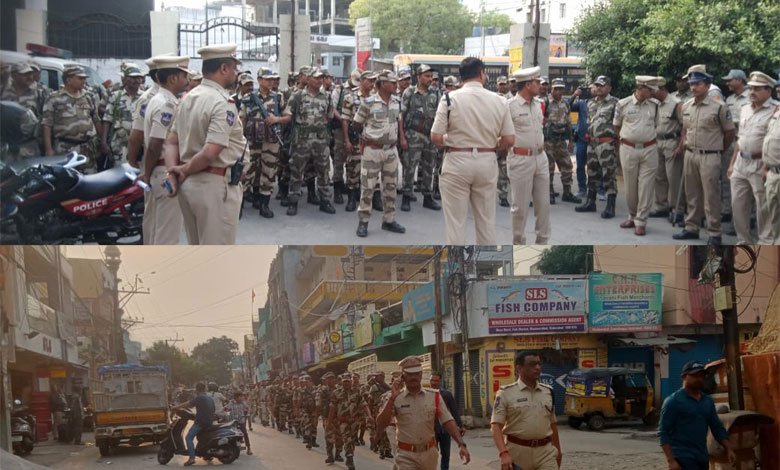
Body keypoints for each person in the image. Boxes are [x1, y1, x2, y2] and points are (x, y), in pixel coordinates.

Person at [164, 44, 247, 245]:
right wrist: (182, 170)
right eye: (234, 67)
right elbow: (210, 152)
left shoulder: (188, 97)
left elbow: (171, 141)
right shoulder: (221, 102)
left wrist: (173, 172)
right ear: (224, 69)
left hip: (190, 186)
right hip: (214, 187)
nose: (236, 73)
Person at [430, 57, 515, 245]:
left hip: (456, 162)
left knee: (456, 226)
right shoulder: (500, 101)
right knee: (486, 224)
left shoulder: (448, 99)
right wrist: (491, 144)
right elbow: (509, 140)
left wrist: (452, 141)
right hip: (486, 161)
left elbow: (436, 137)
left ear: (461, 78)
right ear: (482, 74)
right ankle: (488, 269)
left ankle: (458, 271)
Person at [673, 68, 735, 245]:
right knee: (691, 194)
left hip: (710, 155)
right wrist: (684, 145)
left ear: (707, 85)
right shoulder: (687, 105)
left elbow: (729, 132)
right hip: (690, 154)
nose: (694, 87)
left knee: (711, 196)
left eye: (698, 84)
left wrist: (718, 150)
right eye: (692, 84)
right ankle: (691, 227)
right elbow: (685, 128)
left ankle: (714, 232)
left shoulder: (719, 107)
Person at [376, 356, 470, 470]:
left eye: (416, 374)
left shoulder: (434, 396)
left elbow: (448, 420)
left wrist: (461, 444)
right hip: (405, 454)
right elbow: (381, 424)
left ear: (421, 375)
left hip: (429, 454)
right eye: (409, 374)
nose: (413, 377)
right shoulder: (395, 397)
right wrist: (391, 398)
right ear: (403, 376)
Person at [140, 56, 189, 245]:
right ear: (173, 79)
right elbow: (155, 144)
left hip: (157, 171)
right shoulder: (166, 104)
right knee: (166, 236)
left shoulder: (157, 98)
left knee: (154, 230)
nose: (186, 80)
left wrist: (147, 171)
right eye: (184, 75)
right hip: (164, 171)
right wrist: (147, 172)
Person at [351, 70, 406, 237]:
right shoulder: (368, 102)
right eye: (392, 82)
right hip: (372, 150)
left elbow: (398, 122)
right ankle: (363, 222)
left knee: (391, 187)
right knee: (367, 188)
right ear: (382, 85)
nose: (396, 85)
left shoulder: (397, 102)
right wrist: (371, 137)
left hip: (391, 150)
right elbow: (357, 124)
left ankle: (389, 220)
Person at [727, 71, 777, 244]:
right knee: (738, 206)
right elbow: (741, 138)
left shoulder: (775, 110)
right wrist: (732, 164)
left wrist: (767, 167)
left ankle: (765, 242)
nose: (752, 92)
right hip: (741, 161)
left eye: (757, 89)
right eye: (751, 88)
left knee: (763, 207)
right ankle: (744, 241)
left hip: (760, 164)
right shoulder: (745, 109)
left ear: (768, 91)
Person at [491, 351, 562, 470]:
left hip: (545, 453)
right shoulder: (505, 393)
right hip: (517, 453)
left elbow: (553, 424)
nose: (538, 368)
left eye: (539, 364)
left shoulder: (548, 392)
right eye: (532, 364)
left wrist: (558, 452)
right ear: (519, 368)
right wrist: (503, 453)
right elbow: (496, 426)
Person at [659, 361, 735, 470]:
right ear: (684, 377)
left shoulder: (707, 401)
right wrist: (671, 461)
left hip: (702, 456)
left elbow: (716, 426)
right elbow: (663, 432)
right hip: (682, 458)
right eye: (695, 375)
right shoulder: (673, 401)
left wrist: (728, 448)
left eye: (702, 375)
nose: (700, 378)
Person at [506, 66, 550, 244]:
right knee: (520, 208)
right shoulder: (509, 106)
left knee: (543, 205)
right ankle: (518, 243)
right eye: (537, 82)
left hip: (541, 158)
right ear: (527, 85)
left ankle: (542, 243)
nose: (540, 85)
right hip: (520, 159)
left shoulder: (539, 104)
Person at [283, 68, 336, 216]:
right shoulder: (298, 95)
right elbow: (288, 114)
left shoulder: (326, 96)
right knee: (296, 171)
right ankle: (293, 201)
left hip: (320, 140)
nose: (320, 80)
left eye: (321, 78)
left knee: (324, 171)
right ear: (309, 79)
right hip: (302, 140)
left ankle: (325, 200)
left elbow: (329, 116)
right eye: (317, 78)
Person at [614, 76, 660, 236]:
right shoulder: (623, 104)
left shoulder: (655, 105)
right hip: (628, 148)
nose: (653, 92)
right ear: (641, 88)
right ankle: (632, 216)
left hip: (649, 149)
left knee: (646, 187)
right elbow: (616, 125)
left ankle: (641, 221)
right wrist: (625, 140)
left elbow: (658, 125)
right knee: (630, 187)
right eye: (650, 89)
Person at [240, 67, 287, 218]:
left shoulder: (278, 97)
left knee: (269, 173)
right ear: (259, 80)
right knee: (247, 172)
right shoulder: (248, 97)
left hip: (271, 141)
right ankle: (240, 205)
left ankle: (264, 205)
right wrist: (240, 141)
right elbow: (242, 119)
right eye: (268, 79)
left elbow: (288, 116)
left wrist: (276, 119)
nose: (271, 82)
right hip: (252, 142)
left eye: (273, 79)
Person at [41, 65, 102, 173]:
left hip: (87, 149)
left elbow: (96, 119)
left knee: (90, 182)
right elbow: (47, 124)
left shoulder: (88, 96)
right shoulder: (54, 98)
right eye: (80, 78)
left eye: (84, 78)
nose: (84, 81)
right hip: (65, 149)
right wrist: (48, 149)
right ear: (69, 80)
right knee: (67, 180)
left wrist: (102, 141)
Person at [575, 75, 619, 218]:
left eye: (602, 85)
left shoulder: (615, 103)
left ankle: (610, 206)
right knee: (592, 173)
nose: (599, 88)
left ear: (609, 88)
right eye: (597, 85)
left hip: (607, 143)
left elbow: (619, 124)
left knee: (609, 174)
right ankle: (590, 202)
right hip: (592, 143)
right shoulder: (591, 104)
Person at [400, 64, 442, 212]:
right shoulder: (409, 92)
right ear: (418, 77)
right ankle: (406, 196)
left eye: (431, 76)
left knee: (429, 167)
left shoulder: (436, 93)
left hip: (429, 135)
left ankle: (427, 197)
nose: (430, 79)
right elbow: (402, 115)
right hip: (413, 134)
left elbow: (440, 116)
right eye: (426, 76)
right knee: (410, 167)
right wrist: (402, 137)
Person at [649, 77, 685, 225]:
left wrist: (680, 146)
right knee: (659, 176)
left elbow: (685, 126)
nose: (651, 92)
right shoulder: (656, 104)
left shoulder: (676, 103)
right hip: (658, 142)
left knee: (673, 178)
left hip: (672, 142)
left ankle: (677, 209)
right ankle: (661, 206)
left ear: (661, 89)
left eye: (653, 89)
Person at [340, 70, 377, 212]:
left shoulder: (376, 98)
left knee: (372, 171)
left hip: (372, 140)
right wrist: (347, 140)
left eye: (373, 81)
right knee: (353, 169)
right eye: (369, 81)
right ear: (361, 81)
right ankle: (351, 198)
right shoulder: (350, 97)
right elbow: (345, 120)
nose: (372, 84)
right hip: (356, 140)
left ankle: (373, 199)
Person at [0, 61, 46, 159]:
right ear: (14, 75)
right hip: (6, 146)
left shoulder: (40, 92)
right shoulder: (3, 90)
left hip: (28, 146)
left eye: (31, 74)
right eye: (25, 74)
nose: (30, 77)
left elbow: (46, 118)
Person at [721, 69, 750, 225]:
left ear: (739, 81)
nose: (727, 83)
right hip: (731, 141)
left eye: (730, 80)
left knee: (745, 183)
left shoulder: (750, 97)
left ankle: (747, 217)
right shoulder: (730, 99)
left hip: (745, 142)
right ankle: (727, 210)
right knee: (728, 178)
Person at [544, 78, 580, 204]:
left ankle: (567, 192)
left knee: (567, 166)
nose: (559, 91)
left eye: (561, 89)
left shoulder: (565, 103)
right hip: (548, 142)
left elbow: (569, 123)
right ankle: (549, 193)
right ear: (551, 89)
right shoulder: (545, 102)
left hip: (561, 142)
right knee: (549, 168)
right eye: (556, 89)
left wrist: (571, 141)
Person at [102, 64, 144, 167]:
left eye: (139, 77)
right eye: (133, 77)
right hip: (120, 145)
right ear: (125, 79)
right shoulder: (116, 96)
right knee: (121, 175)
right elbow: (107, 120)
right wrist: (104, 142)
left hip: (140, 145)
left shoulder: (145, 97)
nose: (137, 80)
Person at [328, 373, 371, 470]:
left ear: (351, 381)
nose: (346, 383)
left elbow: (364, 404)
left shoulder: (357, 392)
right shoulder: (336, 393)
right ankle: (350, 458)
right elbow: (332, 409)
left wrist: (369, 416)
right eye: (345, 381)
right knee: (347, 439)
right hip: (342, 421)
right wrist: (329, 423)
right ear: (341, 382)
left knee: (351, 441)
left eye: (348, 381)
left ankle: (349, 455)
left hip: (355, 421)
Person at [126, 57, 161, 169]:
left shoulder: (167, 95)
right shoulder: (148, 98)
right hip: (154, 161)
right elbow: (137, 134)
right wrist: (132, 162)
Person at [173, 382, 215, 466]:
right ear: (205, 389)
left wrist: (176, 407)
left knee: (188, 437)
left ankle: (192, 458)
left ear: (197, 389)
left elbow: (188, 404)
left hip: (201, 422)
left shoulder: (199, 397)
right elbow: (213, 409)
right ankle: (207, 455)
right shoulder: (209, 397)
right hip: (209, 421)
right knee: (201, 437)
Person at [430, 372, 464, 470]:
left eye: (436, 380)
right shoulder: (425, 395)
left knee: (445, 455)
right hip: (431, 430)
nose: (434, 383)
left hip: (445, 430)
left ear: (440, 382)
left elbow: (454, 411)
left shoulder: (446, 394)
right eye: (432, 380)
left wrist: (460, 425)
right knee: (432, 455)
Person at [763, 82, 780, 244]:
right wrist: (766, 166)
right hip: (773, 173)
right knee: (774, 219)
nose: (778, 89)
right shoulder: (777, 111)